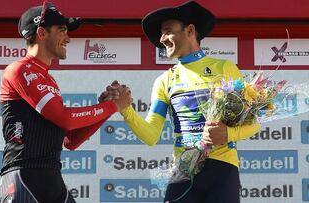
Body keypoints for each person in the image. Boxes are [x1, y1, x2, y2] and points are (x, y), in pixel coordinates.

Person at [105, 1, 261, 203]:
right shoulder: (165, 80)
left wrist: (228, 133)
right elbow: (151, 135)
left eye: (167, 31)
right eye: (161, 34)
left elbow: (253, 125)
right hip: (184, 170)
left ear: (190, 30)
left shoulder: (225, 68)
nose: (162, 39)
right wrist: (126, 110)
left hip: (222, 169)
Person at [0, 2, 132, 203]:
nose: (68, 38)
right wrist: (113, 106)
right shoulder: (19, 70)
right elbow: (65, 119)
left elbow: (71, 140)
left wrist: (107, 108)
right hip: (24, 177)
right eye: (62, 31)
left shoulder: (48, 79)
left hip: (51, 179)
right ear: (41, 33)